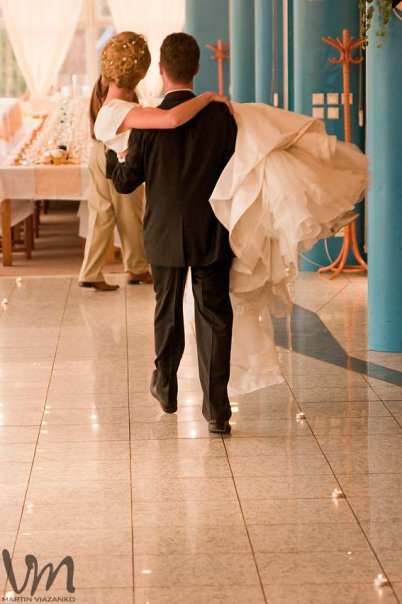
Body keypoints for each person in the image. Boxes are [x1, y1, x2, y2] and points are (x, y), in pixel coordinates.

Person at [110, 33, 237, 434]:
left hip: (163, 232)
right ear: (196, 68)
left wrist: (112, 158)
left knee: (166, 310)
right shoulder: (221, 116)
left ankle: (165, 384)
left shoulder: (146, 121)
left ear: (161, 70)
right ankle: (217, 410)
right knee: (214, 316)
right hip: (211, 230)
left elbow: (126, 182)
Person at [79, 31, 230, 292]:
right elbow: (171, 119)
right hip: (128, 175)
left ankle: (126, 266)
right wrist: (205, 98)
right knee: (127, 217)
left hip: (118, 166)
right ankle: (135, 266)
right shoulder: (122, 112)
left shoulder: (112, 108)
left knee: (105, 215)